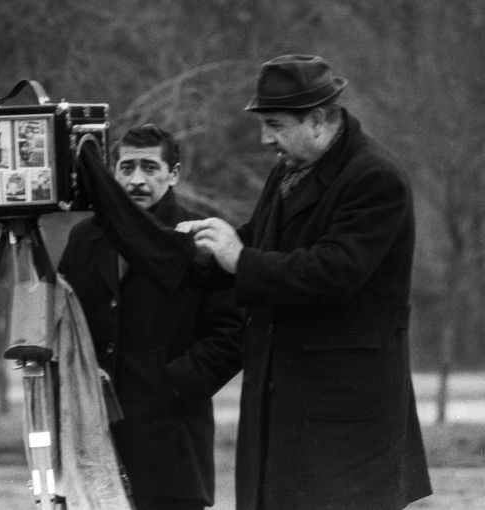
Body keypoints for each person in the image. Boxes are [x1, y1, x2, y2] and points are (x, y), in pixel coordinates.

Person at [158, 54, 431, 509]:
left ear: (319, 120)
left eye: (275, 124)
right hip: (284, 401)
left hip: (344, 413)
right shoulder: (291, 169)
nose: (266, 138)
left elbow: (333, 272)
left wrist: (239, 258)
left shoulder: (374, 178)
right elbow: (260, 241)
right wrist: (209, 246)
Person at [58, 124, 243, 510]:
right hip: (95, 443)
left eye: (149, 167)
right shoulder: (83, 238)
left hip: (171, 444)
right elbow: (63, 319)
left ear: (172, 174)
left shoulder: (200, 237)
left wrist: (174, 385)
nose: (136, 179)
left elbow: (233, 332)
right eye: (126, 168)